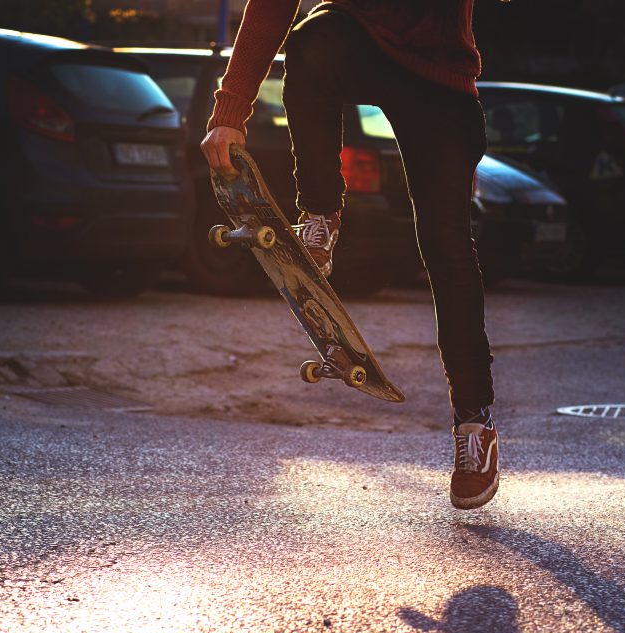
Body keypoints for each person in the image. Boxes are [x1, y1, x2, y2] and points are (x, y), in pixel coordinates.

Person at [200, 0, 499, 509]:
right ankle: (320, 214)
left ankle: (475, 423)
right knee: (315, 38)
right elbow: (272, 7)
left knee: (446, 250)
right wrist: (229, 113)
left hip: (441, 79)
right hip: (357, 45)